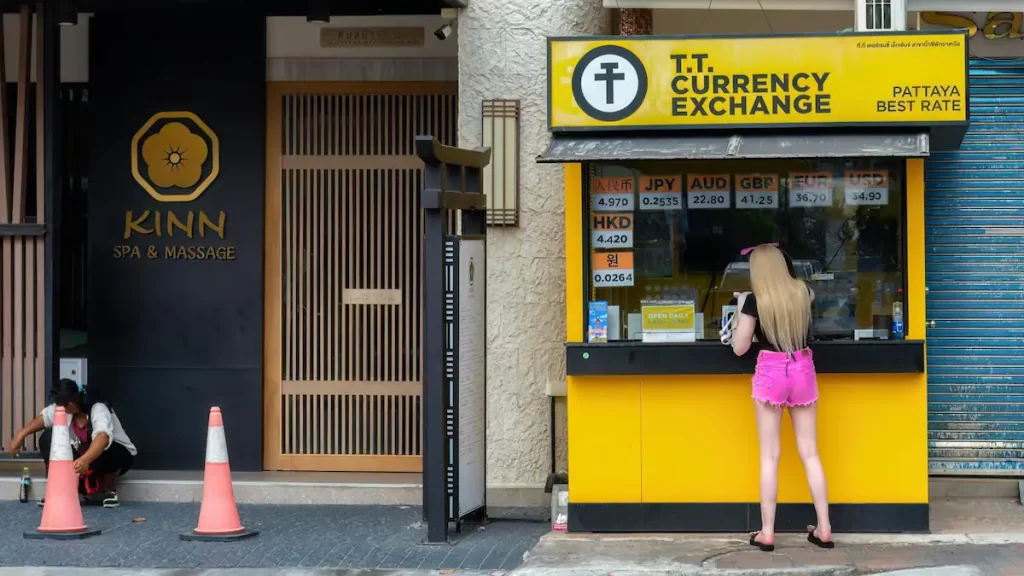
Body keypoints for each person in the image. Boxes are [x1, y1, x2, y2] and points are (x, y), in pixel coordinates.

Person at [729, 244, 834, 552]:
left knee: (769, 457)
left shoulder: (752, 301)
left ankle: (767, 532)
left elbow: (739, 347)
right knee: (811, 453)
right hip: (802, 367)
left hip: (771, 372)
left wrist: (739, 309)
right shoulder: (803, 293)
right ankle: (824, 528)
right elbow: (801, 297)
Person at [6, 378, 137, 508]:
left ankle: (109, 490)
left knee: (107, 446)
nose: (58, 407)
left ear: (70, 405)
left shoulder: (98, 408)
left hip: (113, 455)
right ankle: (63, 490)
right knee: (47, 437)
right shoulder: (64, 408)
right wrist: (21, 435)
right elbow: (45, 418)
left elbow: (102, 437)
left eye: (60, 405)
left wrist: (85, 459)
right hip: (83, 458)